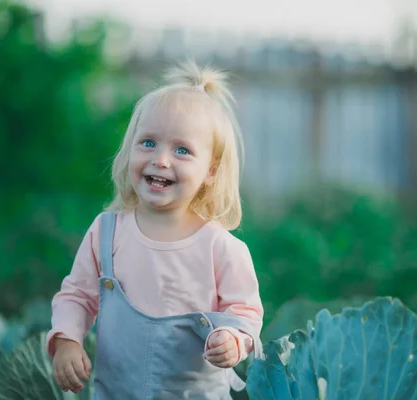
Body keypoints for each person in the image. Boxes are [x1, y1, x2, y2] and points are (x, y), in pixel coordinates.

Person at [46, 60, 264, 400]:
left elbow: (245, 312)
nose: (161, 159)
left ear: (210, 171)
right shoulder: (107, 232)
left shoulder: (220, 247)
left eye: (181, 150)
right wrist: (67, 340)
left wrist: (234, 340)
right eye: (148, 143)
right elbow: (76, 295)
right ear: (130, 149)